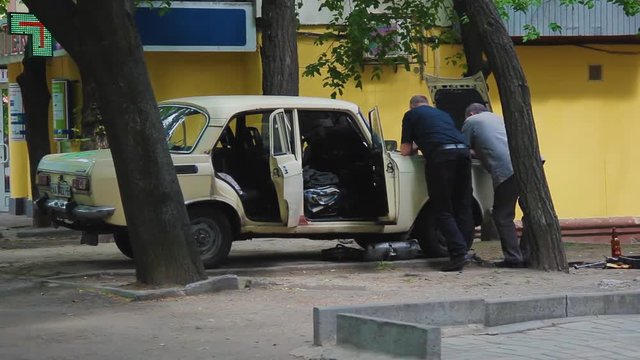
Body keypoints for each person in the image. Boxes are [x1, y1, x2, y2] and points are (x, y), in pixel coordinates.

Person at [400, 95, 474, 272]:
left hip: (441, 157)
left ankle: (457, 254)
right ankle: (464, 250)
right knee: (462, 205)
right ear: (428, 104)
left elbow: (405, 150)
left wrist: (420, 146)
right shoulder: (443, 114)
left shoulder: (411, 115)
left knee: (443, 208)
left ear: (412, 106)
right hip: (464, 153)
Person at [462, 103, 524, 268]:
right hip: (531, 165)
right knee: (532, 214)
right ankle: (528, 253)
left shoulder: (472, 121)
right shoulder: (499, 118)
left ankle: (513, 258)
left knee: (502, 215)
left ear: (471, 113)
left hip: (508, 170)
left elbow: (462, 148)